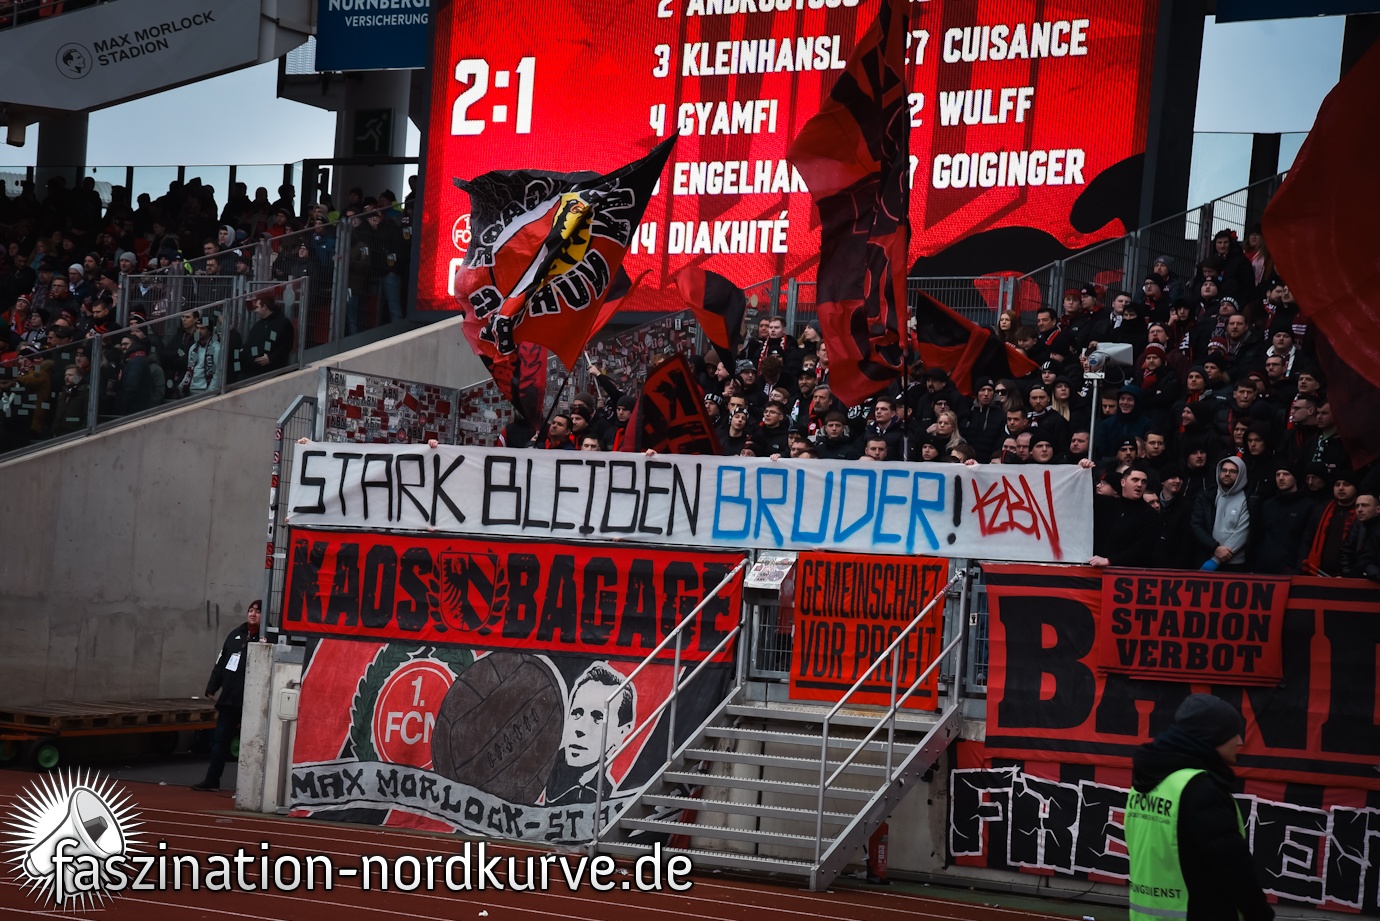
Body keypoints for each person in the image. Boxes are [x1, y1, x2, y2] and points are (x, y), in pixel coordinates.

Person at [1125, 693, 1273, 921]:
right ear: (1211, 737)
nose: (1240, 741)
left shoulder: (1144, 782)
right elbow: (1233, 866)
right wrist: (1259, 914)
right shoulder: (1201, 788)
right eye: (1232, 733)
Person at [542, 662, 635, 806]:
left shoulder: (607, 792)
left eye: (598, 718)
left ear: (621, 732)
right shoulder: (540, 776)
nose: (580, 729)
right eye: (576, 714)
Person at [193, 600, 262, 792]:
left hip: (255, 701)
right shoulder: (235, 635)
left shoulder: (268, 637)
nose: (253, 614)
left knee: (254, 744)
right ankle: (212, 779)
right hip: (230, 699)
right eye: (250, 610)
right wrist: (212, 686)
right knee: (220, 740)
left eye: (258, 611)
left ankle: (252, 788)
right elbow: (221, 661)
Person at [1190, 457, 1254, 570]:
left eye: (1233, 471)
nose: (1227, 474)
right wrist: (1214, 548)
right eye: (1224, 470)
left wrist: (1216, 560)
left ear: (1241, 474)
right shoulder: (1207, 496)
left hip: (1236, 565)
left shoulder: (1248, 499)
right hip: (1207, 559)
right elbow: (1197, 525)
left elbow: (1243, 531)